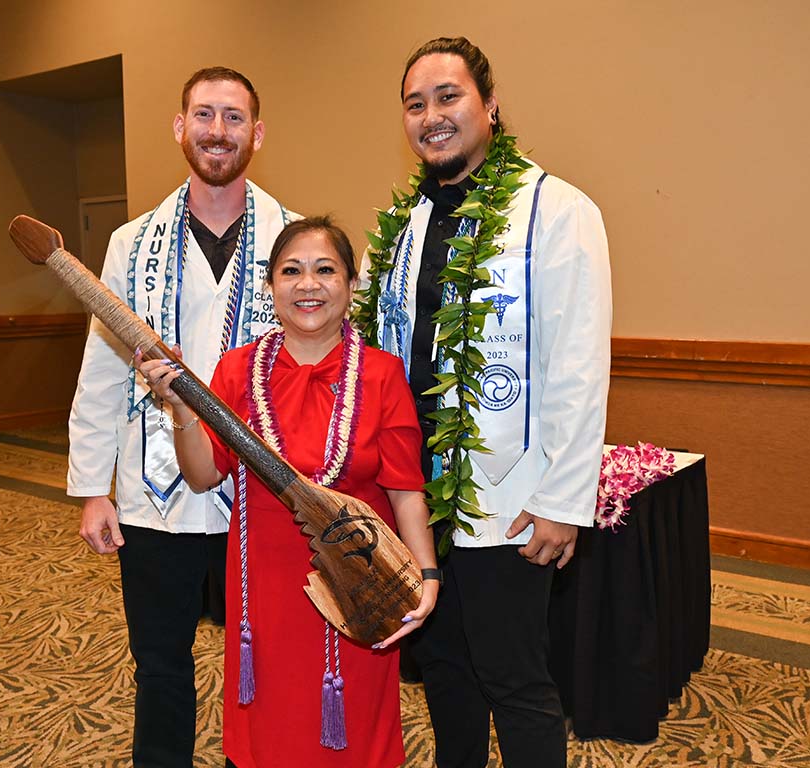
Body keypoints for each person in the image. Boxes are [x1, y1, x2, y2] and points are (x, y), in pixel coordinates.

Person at [356, 37, 612, 768]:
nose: (432, 116)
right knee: (443, 668)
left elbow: (580, 362)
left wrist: (566, 498)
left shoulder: (558, 211)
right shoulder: (398, 231)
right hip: (419, 499)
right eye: (415, 104)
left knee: (515, 676)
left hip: (513, 500)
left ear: (490, 106)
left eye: (449, 97)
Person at [137, 217, 441, 768]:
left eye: (326, 270)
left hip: (359, 585)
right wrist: (180, 407)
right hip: (266, 595)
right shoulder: (236, 370)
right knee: (271, 732)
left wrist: (426, 573)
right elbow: (205, 476)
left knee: (356, 733)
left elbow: (405, 491)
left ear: (351, 286)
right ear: (271, 285)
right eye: (292, 271)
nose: (308, 284)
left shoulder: (381, 374)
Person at [67, 66, 296, 767]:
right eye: (204, 115)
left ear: (256, 133)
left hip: (257, 494)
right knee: (160, 663)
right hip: (151, 493)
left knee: (261, 663)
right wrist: (90, 488)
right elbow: (102, 367)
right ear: (180, 126)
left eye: (233, 118)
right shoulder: (131, 243)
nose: (217, 131)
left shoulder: (293, 242)